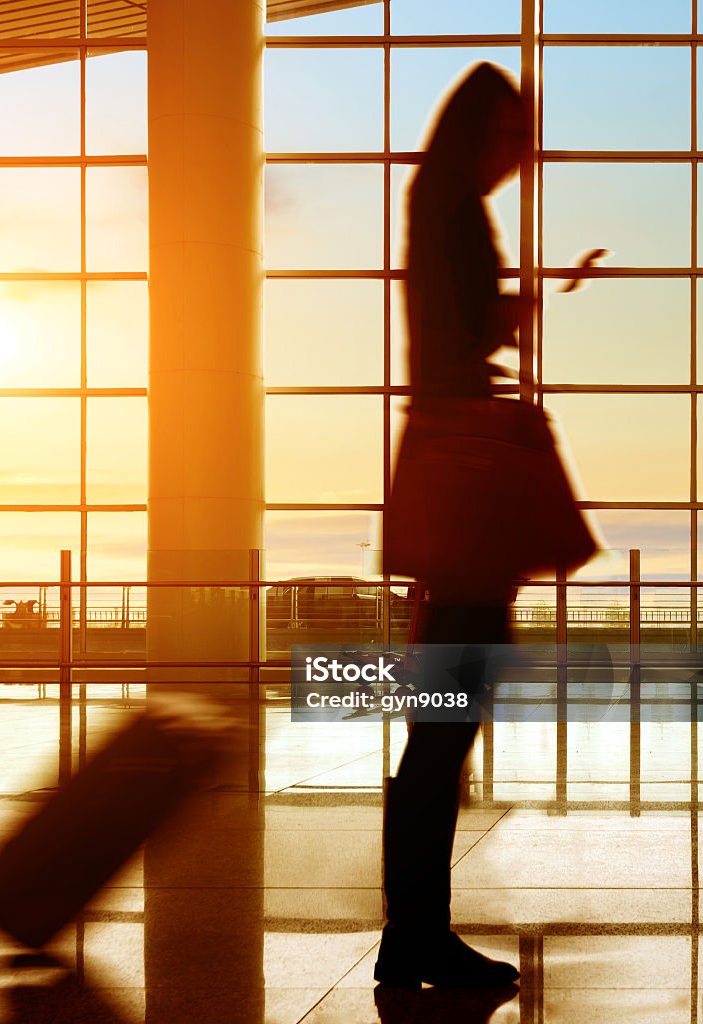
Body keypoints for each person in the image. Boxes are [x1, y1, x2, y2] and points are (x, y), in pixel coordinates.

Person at [374, 62, 531, 990]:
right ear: (481, 131)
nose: (521, 158)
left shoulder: (433, 203)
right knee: (445, 719)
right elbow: (460, 338)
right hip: (464, 489)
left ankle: (415, 931)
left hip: (446, 480)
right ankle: (414, 935)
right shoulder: (454, 210)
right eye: (513, 139)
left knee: (441, 718)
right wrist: (516, 312)